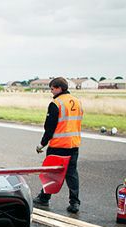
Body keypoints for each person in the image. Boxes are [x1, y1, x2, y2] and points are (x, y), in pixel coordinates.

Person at [33, 77, 83, 213]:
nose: (51, 91)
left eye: (52, 89)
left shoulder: (56, 103)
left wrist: (41, 144)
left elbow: (49, 127)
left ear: (59, 88)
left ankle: (44, 198)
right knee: (72, 174)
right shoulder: (77, 102)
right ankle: (75, 203)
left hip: (58, 145)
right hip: (73, 145)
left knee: (51, 173)